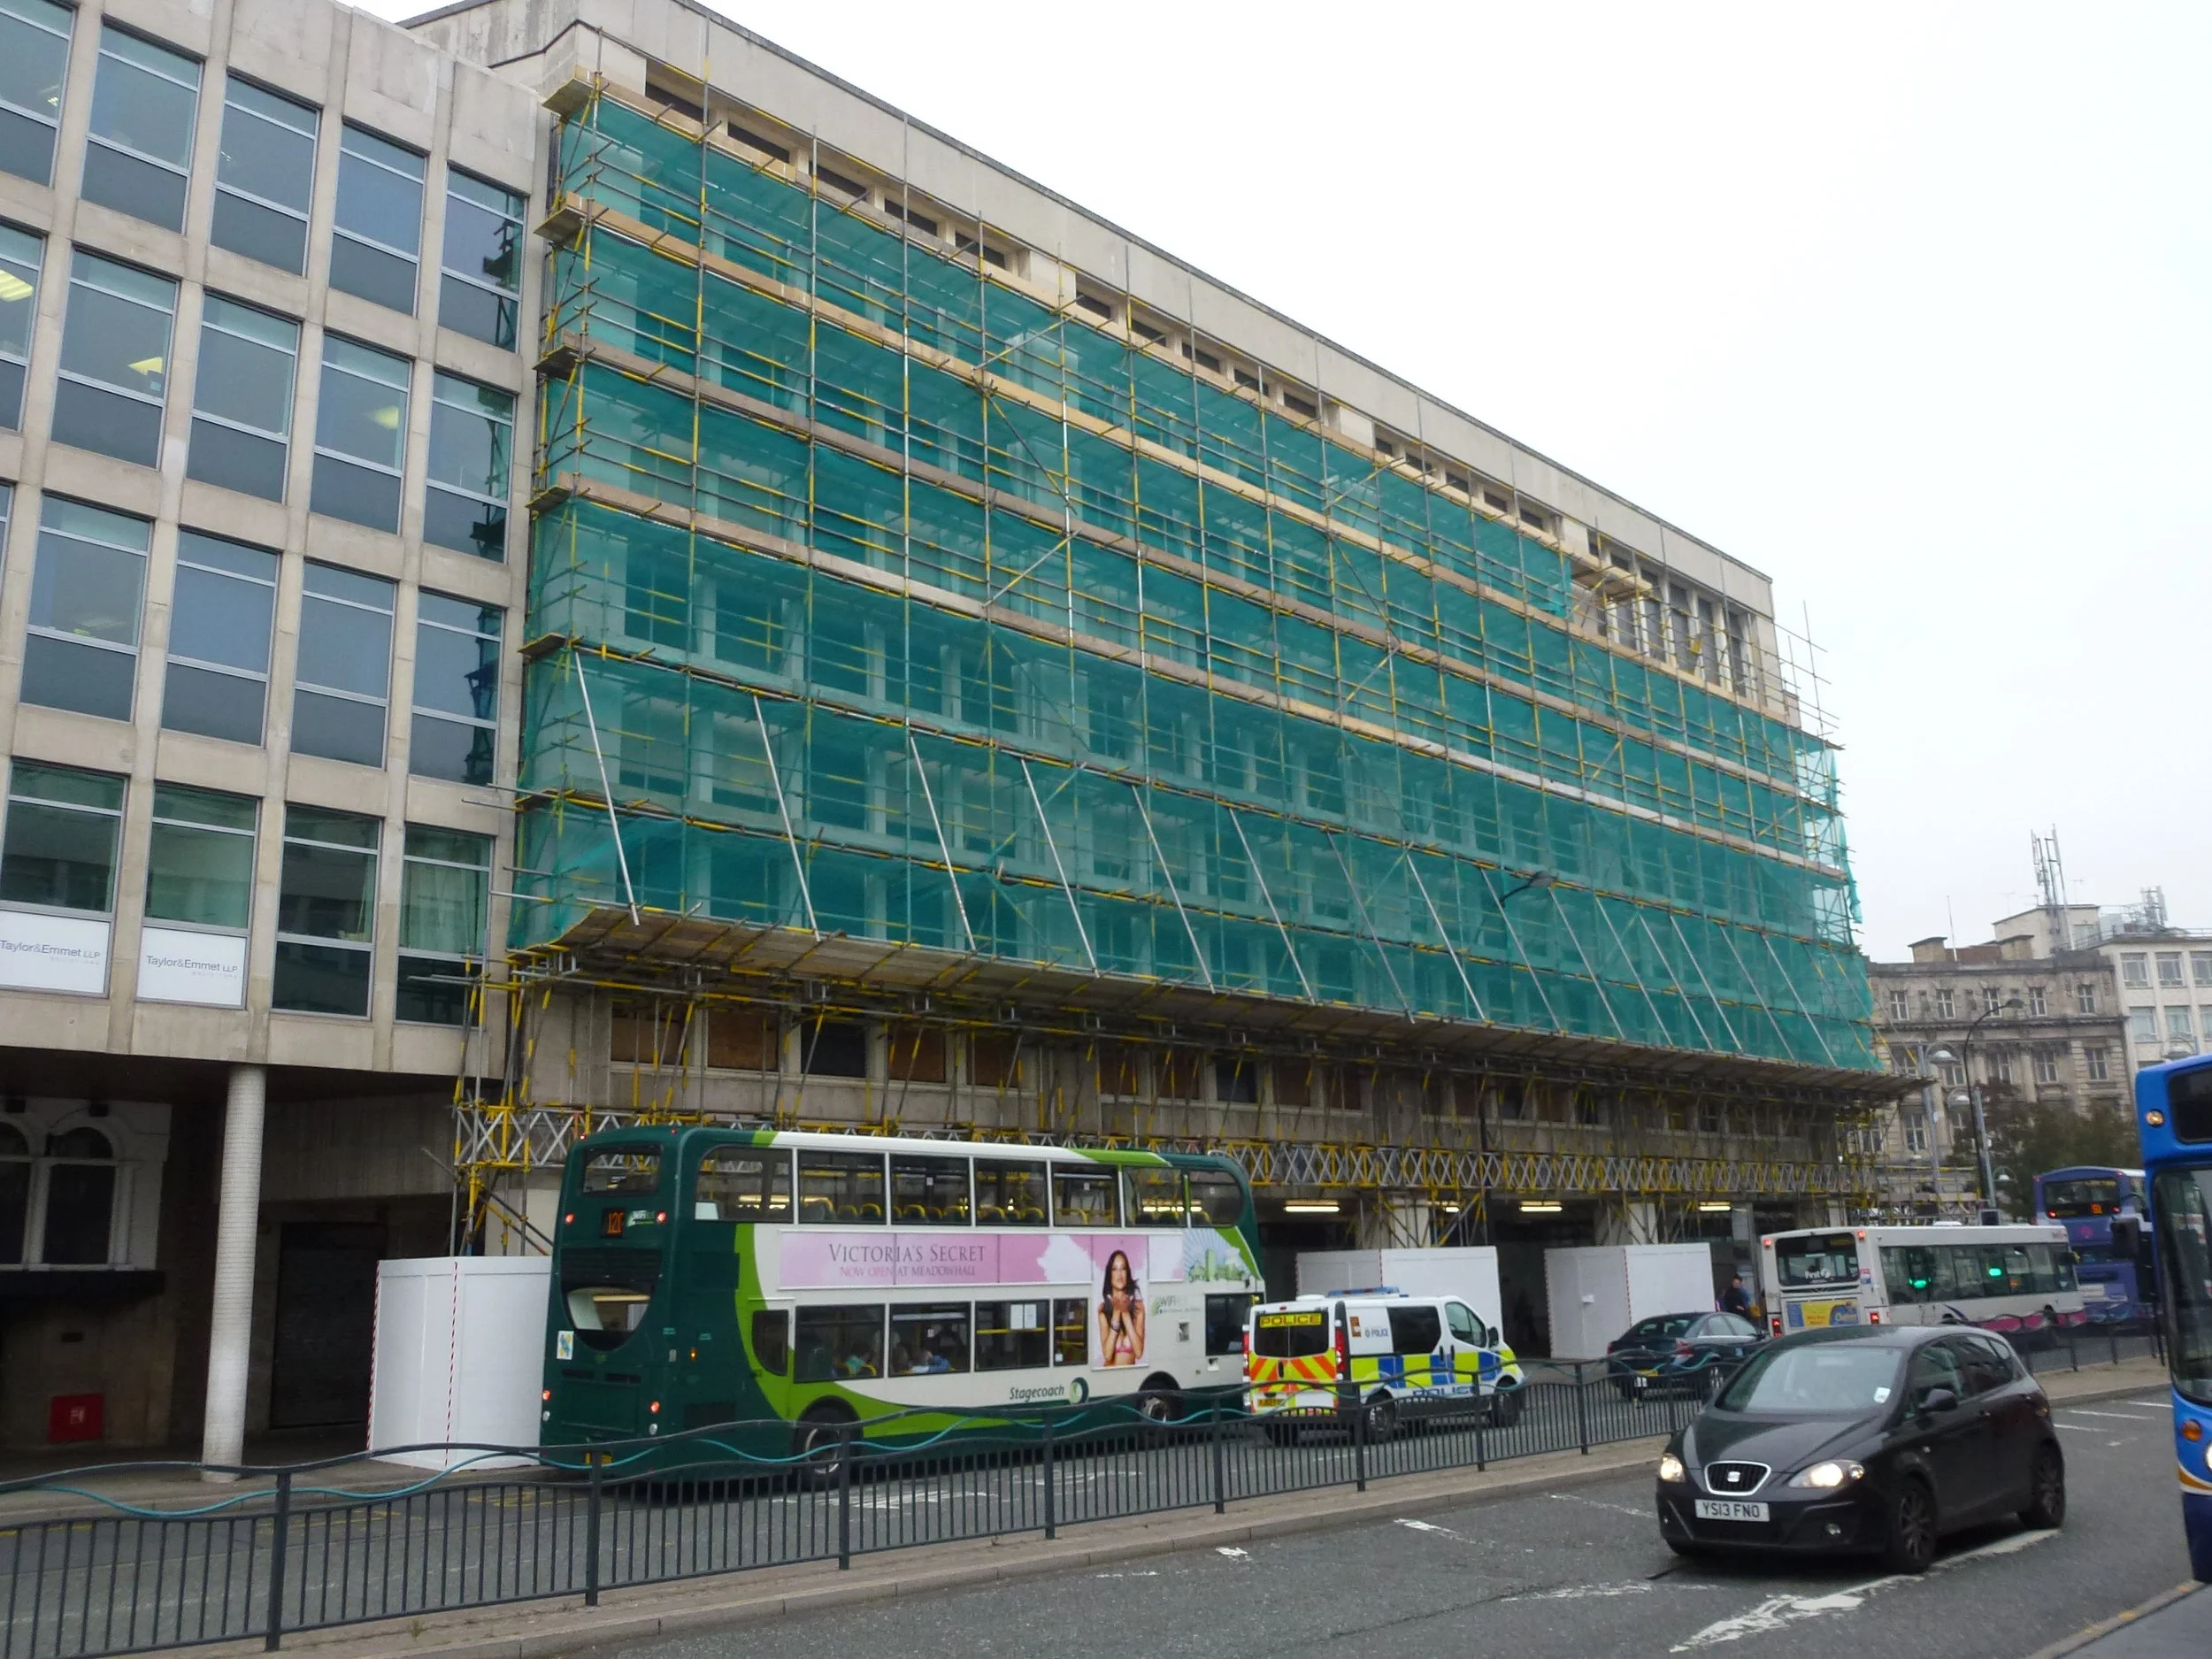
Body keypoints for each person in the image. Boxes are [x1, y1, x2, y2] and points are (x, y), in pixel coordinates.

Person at [1097, 1249, 1145, 1366]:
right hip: (1109, 1378)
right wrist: (1117, 1312)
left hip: (1130, 1378)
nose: (1119, 1274)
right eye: (1115, 1269)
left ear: (1127, 1273)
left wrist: (1125, 1313)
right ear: (1110, 1275)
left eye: (1123, 1268)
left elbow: (1138, 1353)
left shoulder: (1139, 1308)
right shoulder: (1103, 1310)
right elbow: (1107, 1355)